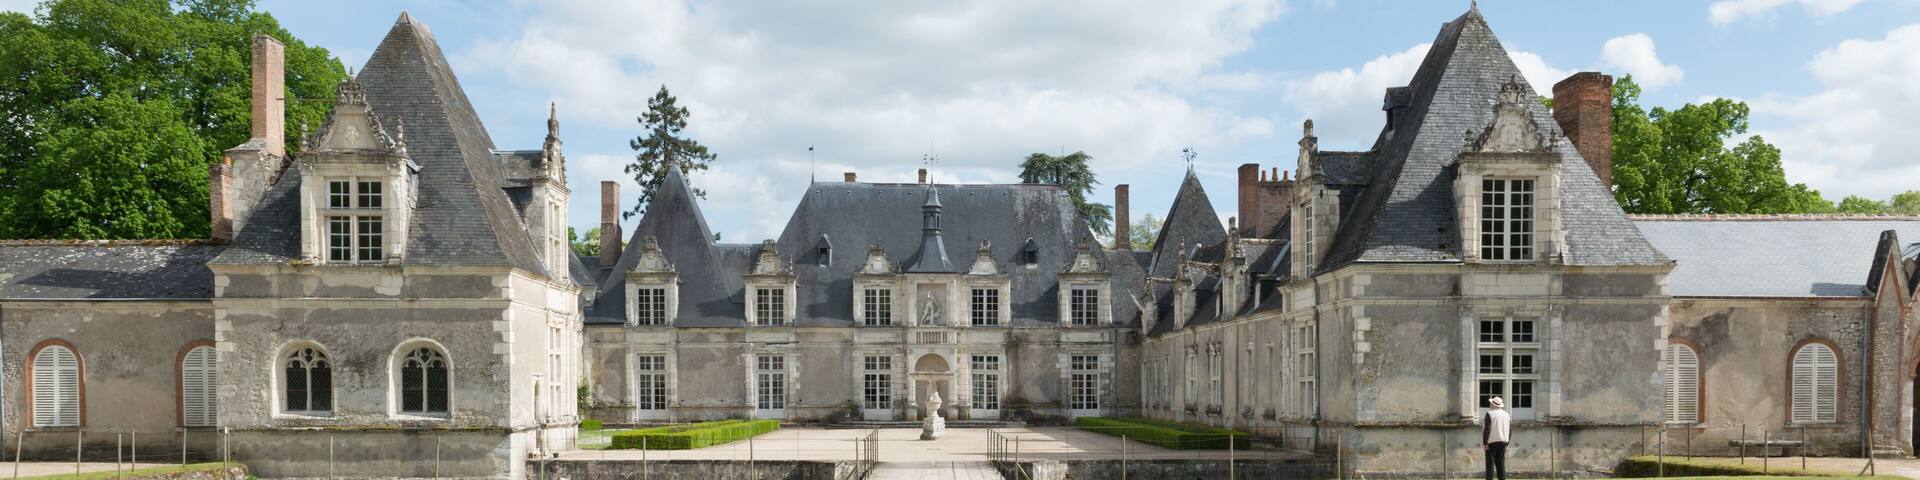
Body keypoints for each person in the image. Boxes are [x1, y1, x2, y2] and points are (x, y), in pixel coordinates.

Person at [1483, 397, 1512, 480]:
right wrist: (1507, 442)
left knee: (1490, 466)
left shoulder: (1489, 414)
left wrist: (1485, 443)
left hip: (1491, 442)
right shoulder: (1507, 415)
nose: (1490, 404)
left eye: (1491, 403)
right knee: (1501, 465)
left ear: (1493, 404)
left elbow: (1487, 430)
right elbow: (1510, 431)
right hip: (1503, 442)